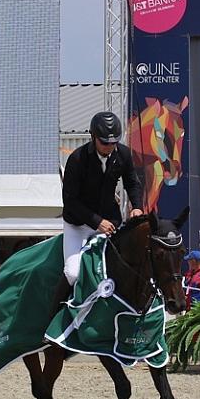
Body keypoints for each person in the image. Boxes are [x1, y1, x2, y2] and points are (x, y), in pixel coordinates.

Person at [61, 111, 144, 286]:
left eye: (114, 142)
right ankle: (61, 302)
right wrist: (97, 222)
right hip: (78, 225)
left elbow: (132, 183)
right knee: (73, 273)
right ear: (93, 137)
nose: (109, 147)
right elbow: (70, 201)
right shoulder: (77, 159)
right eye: (105, 142)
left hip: (110, 222)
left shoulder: (123, 154)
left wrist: (137, 206)